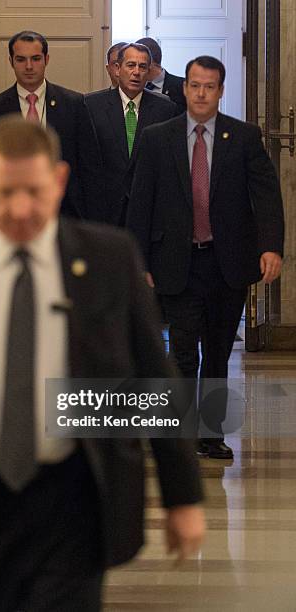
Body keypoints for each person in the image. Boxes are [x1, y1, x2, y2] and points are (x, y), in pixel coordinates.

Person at [0, 116, 205, 611]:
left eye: (35, 191)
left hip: (72, 504)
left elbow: (155, 382)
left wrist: (182, 496)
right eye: (5, 193)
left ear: (59, 181)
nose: (21, 209)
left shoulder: (110, 260)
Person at [126, 56, 285, 459]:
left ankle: (210, 434)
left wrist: (270, 247)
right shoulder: (157, 137)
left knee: (217, 350)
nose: (200, 93)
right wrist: (139, 260)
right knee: (181, 349)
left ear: (220, 90)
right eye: (194, 85)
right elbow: (141, 202)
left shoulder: (243, 137)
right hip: (176, 260)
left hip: (226, 262)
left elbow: (266, 196)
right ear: (184, 87)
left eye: (209, 86)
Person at [0, 30, 104, 223]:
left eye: (36, 58)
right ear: (11, 62)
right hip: (10, 214)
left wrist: (90, 224)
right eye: (21, 59)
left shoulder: (73, 104)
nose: (29, 66)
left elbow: (91, 169)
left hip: (66, 215)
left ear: (46, 59)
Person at [85, 43, 177, 225]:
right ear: (117, 69)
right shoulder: (91, 105)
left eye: (142, 67)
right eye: (131, 65)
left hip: (149, 211)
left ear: (149, 72)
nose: (136, 72)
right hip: (103, 212)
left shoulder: (165, 109)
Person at [136, 37, 187, 111]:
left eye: (138, 63)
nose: (135, 69)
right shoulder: (134, 86)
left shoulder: (182, 86)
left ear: (150, 62)